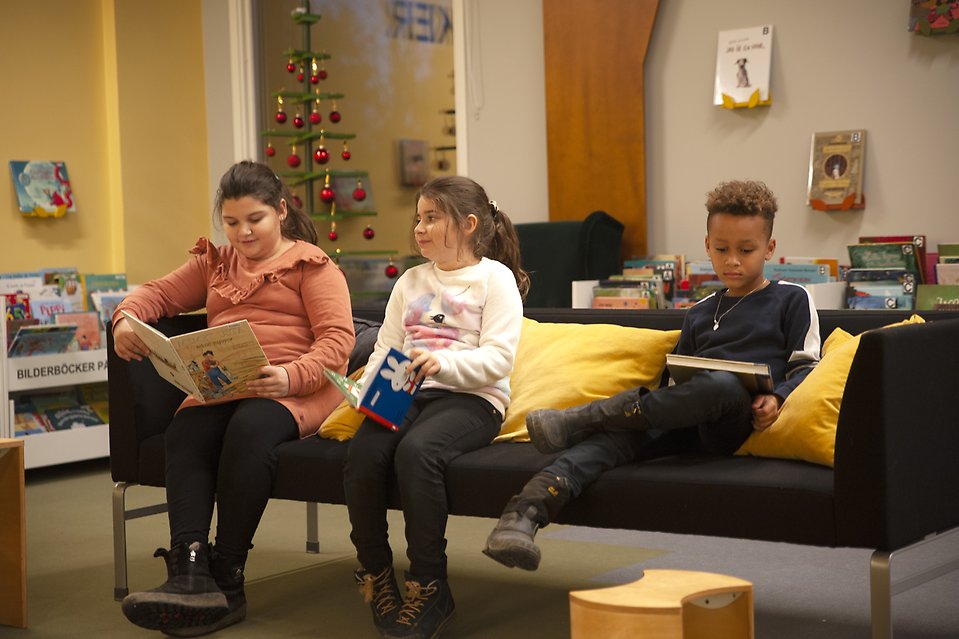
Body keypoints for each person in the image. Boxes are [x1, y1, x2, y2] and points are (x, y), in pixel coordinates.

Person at [483, 180, 821, 571]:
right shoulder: (699, 311)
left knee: (721, 384)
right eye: (722, 249)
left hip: (733, 419)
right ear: (708, 245)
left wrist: (778, 396)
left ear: (770, 249)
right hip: (682, 415)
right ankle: (520, 519)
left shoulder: (792, 297)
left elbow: (806, 364)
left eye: (747, 251)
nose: (733, 261)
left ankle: (584, 417)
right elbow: (675, 380)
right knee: (607, 446)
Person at [112, 160, 355, 636]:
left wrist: (289, 376)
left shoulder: (312, 265)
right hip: (224, 384)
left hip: (294, 387)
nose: (242, 233)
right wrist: (125, 318)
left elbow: (336, 343)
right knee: (186, 430)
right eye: (231, 222)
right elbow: (156, 295)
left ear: (280, 212)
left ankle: (228, 576)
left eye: (254, 220)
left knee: (251, 429)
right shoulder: (214, 263)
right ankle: (188, 570)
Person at [345, 176, 527, 639]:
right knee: (365, 452)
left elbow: (498, 360)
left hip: (472, 398)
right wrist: (363, 387)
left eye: (432, 218)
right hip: (405, 387)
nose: (420, 228)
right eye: (418, 218)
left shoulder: (494, 279)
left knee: (417, 451)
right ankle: (375, 573)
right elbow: (386, 348)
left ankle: (429, 584)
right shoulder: (410, 280)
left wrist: (441, 363)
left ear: (468, 224)